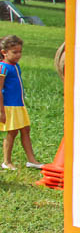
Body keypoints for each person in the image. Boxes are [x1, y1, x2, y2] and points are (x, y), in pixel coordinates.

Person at [0, 35, 43, 171]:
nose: (18, 55)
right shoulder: (3, 68)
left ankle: (31, 160)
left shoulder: (15, 66)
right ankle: (6, 161)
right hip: (9, 106)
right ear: (4, 52)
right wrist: (1, 111)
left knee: (25, 130)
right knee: (12, 132)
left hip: (19, 105)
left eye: (20, 51)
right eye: (15, 52)